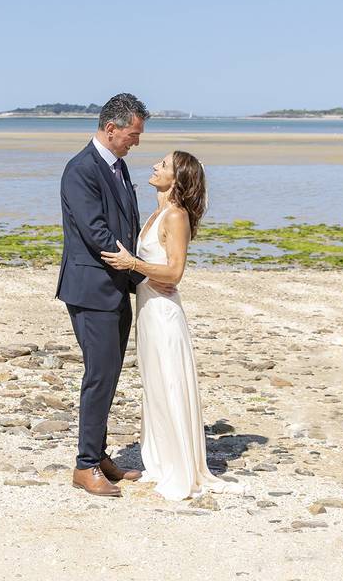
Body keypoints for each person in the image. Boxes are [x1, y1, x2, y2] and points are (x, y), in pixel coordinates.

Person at [101, 151, 247, 500]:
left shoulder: (176, 216)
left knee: (169, 382)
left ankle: (178, 466)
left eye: (164, 165)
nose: (155, 166)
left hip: (164, 312)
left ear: (178, 179)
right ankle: (162, 459)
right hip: (148, 308)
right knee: (154, 386)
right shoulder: (157, 213)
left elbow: (176, 273)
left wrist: (132, 263)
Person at [56, 93, 166, 497]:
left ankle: (98, 454)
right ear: (111, 128)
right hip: (92, 288)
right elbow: (96, 231)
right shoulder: (81, 170)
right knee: (99, 375)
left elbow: (127, 224)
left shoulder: (118, 167)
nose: (136, 141)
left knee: (111, 374)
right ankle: (85, 467)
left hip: (116, 287)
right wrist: (140, 270)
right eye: (133, 135)